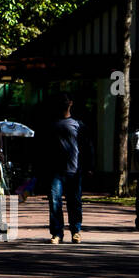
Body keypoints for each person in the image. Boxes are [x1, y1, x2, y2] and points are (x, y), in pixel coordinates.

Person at [44, 93, 84, 244]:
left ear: (71, 103)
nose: (64, 103)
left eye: (66, 100)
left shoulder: (78, 124)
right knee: (55, 203)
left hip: (74, 170)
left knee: (75, 202)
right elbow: (44, 149)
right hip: (55, 171)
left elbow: (86, 147)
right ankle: (57, 233)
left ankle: (76, 231)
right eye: (62, 101)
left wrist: (89, 166)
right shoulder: (51, 125)